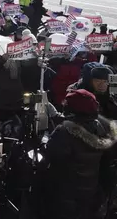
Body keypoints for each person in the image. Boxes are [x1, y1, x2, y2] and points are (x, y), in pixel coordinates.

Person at [40, 89, 117, 219]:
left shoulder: (64, 132)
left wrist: (44, 139)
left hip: (66, 196)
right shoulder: (100, 127)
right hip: (90, 192)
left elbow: (51, 155)